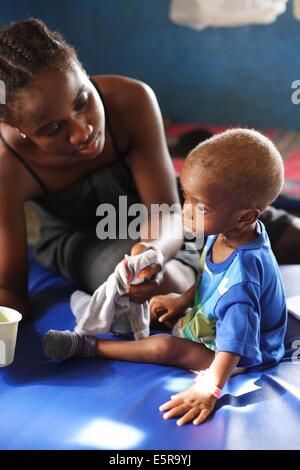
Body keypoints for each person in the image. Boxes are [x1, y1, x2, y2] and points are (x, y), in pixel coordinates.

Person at [0, 19, 298, 322]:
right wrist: (146, 265)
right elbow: (9, 289)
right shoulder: (7, 165)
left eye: (82, 101)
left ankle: (207, 261)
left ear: (84, 73)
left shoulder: (131, 99)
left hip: (172, 209)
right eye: (52, 129)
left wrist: (152, 250)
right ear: (19, 130)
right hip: (87, 236)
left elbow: (165, 210)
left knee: (288, 236)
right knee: (155, 292)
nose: (83, 131)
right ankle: (206, 268)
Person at [43, 128, 287, 426]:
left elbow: (234, 345)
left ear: (245, 216)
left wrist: (209, 389)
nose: (185, 212)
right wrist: (182, 301)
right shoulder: (228, 233)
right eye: (185, 197)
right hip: (213, 321)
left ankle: (87, 346)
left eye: (200, 207)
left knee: (168, 347)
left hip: (243, 353)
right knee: (159, 306)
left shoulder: (243, 281)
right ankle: (110, 315)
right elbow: (209, 278)